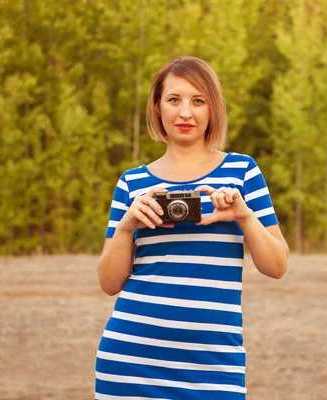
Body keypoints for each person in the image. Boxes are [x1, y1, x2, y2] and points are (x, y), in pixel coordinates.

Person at [95, 56, 289, 399]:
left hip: (215, 369)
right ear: (157, 108)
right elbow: (109, 283)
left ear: (213, 109)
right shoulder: (132, 183)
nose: (185, 113)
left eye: (198, 100)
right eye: (174, 100)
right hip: (130, 364)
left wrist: (243, 216)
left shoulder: (242, 172)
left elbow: (276, 266)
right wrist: (126, 228)